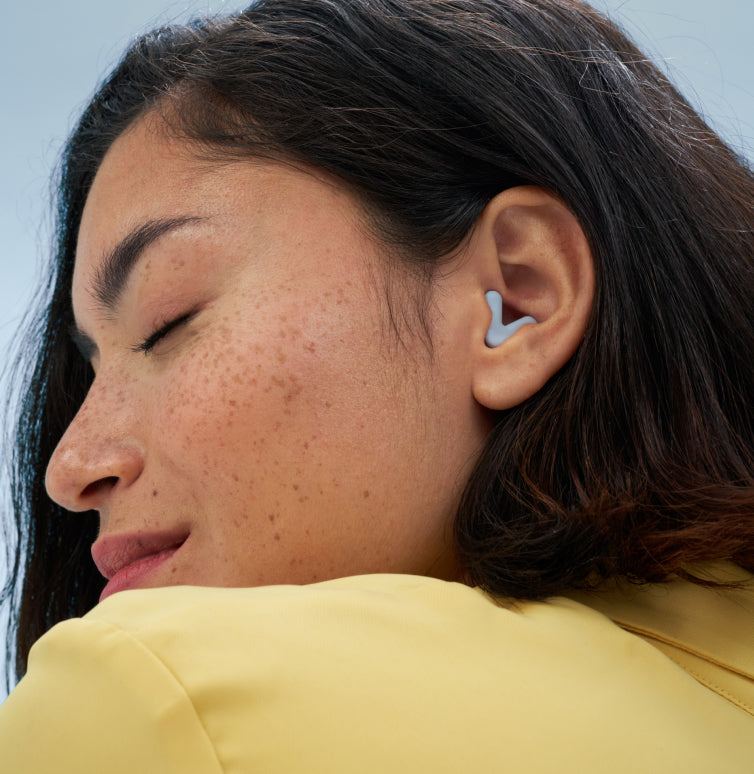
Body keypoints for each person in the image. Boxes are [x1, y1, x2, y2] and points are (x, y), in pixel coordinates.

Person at [1, 0, 752, 769]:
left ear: (520, 299)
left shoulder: (152, 699)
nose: (70, 465)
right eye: (88, 370)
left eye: (169, 319)